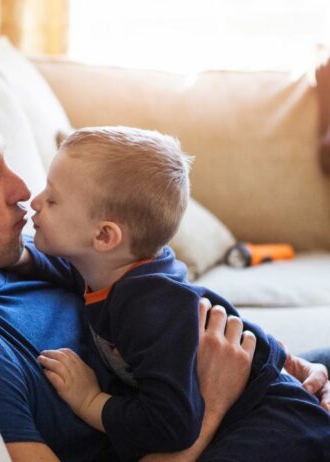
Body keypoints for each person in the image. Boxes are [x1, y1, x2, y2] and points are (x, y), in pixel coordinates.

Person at [0, 80, 330, 462]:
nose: (22, 190)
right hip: (217, 419)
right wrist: (216, 401)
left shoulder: (19, 252)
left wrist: (279, 359)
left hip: (241, 380)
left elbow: (170, 292)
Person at [25, 126, 330, 461]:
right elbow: (67, 269)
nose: (35, 202)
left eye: (52, 199)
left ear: (104, 237)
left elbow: (172, 425)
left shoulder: (146, 308)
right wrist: (19, 257)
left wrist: (90, 401)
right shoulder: (117, 268)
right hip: (264, 402)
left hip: (276, 419)